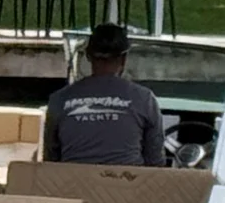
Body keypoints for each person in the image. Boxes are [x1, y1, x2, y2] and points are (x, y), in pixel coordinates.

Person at [41, 20, 165, 166]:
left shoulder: (59, 99)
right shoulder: (145, 99)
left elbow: (51, 161)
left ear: (88, 56)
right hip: (127, 185)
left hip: (74, 185)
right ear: (124, 58)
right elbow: (156, 162)